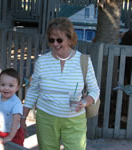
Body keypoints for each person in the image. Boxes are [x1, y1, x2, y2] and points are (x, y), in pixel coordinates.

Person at [21, 17, 100, 150]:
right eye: (51, 40)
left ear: (70, 39)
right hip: (46, 118)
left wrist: (85, 102)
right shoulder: (42, 62)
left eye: (59, 40)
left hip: (74, 120)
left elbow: (94, 90)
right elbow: (33, 90)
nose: (55, 44)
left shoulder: (83, 61)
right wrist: (23, 117)